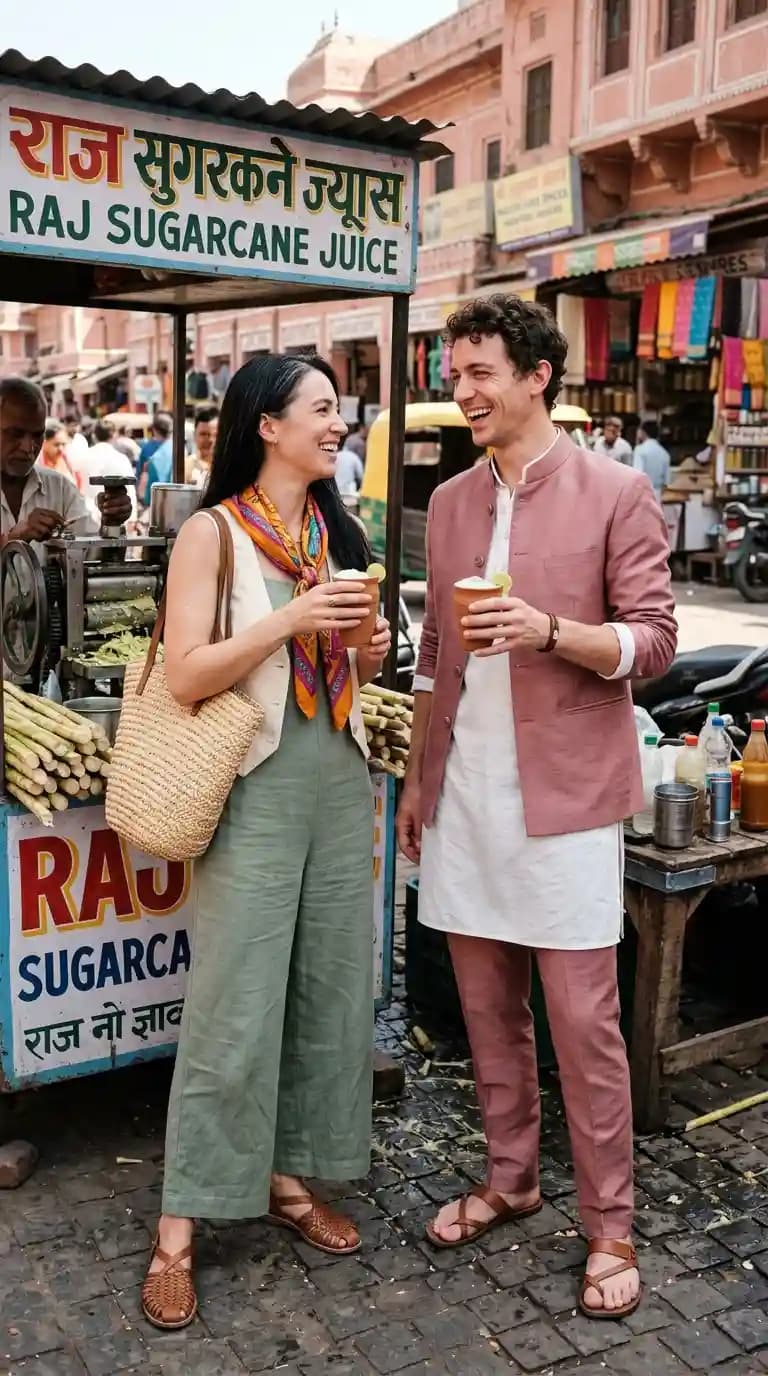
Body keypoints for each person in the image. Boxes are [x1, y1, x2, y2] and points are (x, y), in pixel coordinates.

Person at [396, 296, 676, 1321]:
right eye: (456, 372)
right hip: (467, 791)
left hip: (566, 800)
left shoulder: (614, 491)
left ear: (537, 376)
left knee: (582, 1020)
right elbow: (434, 659)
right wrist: (421, 784)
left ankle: (610, 1222)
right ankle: (512, 1175)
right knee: (483, 1008)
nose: (463, 390)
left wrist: (553, 627)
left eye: (479, 372)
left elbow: (653, 640)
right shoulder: (457, 499)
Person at [141, 353, 391, 1330]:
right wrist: (287, 619)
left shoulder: (333, 530)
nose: (340, 424)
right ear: (267, 425)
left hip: (337, 771)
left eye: (341, 409)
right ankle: (176, 1229)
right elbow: (187, 673)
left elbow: (347, 670)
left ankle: (290, 1178)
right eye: (323, 409)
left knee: (327, 988)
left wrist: (361, 655)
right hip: (253, 784)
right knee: (232, 1006)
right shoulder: (211, 533)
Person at [1, 378, 131, 550]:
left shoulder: (61, 489)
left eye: (37, 435)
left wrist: (111, 525)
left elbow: (91, 558)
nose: (28, 448)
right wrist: (13, 538)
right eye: (15, 434)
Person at [633, 420, 671, 501]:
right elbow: (667, 481)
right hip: (658, 494)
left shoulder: (640, 450)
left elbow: (637, 474)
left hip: (643, 493)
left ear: (643, 432)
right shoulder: (664, 453)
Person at [184, 405, 219, 487]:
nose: (209, 440)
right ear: (194, 435)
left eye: (215, 435)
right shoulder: (185, 467)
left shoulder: (229, 467)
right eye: (203, 434)